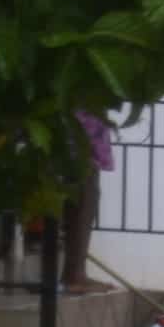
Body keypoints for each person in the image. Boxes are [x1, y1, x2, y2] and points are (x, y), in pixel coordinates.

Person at [62, 111, 116, 294]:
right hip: (79, 123)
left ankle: (76, 272)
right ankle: (75, 275)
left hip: (81, 121)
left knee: (85, 193)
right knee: (84, 194)